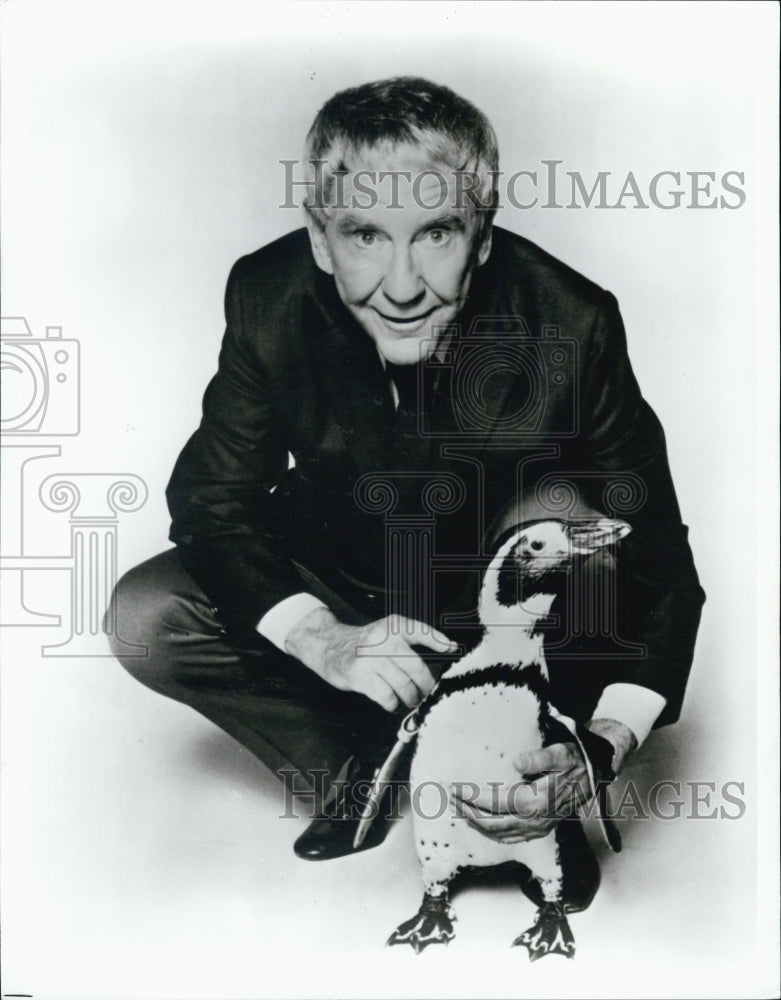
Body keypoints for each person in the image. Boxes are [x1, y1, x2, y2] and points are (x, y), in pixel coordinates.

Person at [106, 78, 704, 894]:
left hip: (507, 617)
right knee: (147, 616)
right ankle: (353, 765)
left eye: (436, 234)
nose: (400, 285)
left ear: (482, 237)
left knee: (564, 519)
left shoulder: (573, 319)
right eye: (363, 235)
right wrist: (322, 637)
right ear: (320, 239)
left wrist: (599, 745)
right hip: (351, 583)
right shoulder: (266, 294)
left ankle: (530, 790)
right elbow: (212, 499)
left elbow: (660, 559)